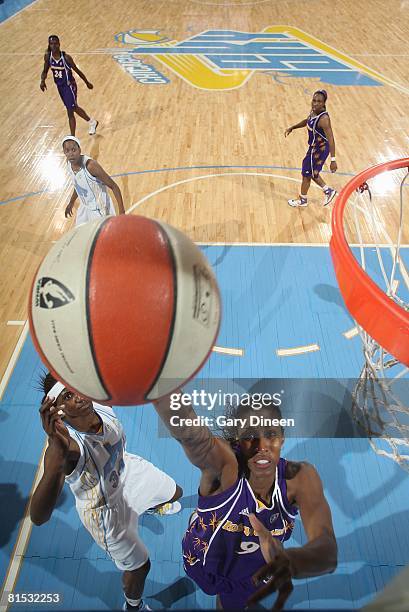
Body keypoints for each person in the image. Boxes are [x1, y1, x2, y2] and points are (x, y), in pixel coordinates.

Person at [153, 395, 337, 610]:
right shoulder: (225, 467)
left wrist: (293, 561)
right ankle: (201, 518)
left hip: (252, 570)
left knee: (230, 605)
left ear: (282, 437)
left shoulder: (299, 478)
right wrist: (162, 386)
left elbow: (327, 551)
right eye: (250, 436)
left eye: (270, 434)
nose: (262, 446)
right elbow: (191, 435)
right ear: (238, 440)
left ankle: (202, 517)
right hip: (205, 558)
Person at [30, 373, 183, 612]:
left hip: (124, 470)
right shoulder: (66, 448)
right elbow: (38, 517)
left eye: (76, 387)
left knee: (176, 492)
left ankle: (148, 505)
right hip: (105, 511)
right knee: (140, 567)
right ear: (58, 409)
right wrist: (57, 452)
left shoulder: (99, 401)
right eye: (67, 395)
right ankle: (133, 606)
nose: (78, 396)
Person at [285, 90, 338, 208]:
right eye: (314, 100)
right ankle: (327, 191)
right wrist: (293, 127)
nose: (315, 103)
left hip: (321, 149)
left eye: (319, 101)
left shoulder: (324, 119)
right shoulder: (313, 112)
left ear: (324, 103)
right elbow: (307, 121)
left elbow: (331, 139)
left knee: (307, 173)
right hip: (314, 148)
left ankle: (306, 199)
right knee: (309, 171)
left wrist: (333, 160)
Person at [40, 35, 98, 136]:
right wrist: (42, 81)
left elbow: (78, 71)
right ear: (49, 45)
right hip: (60, 87)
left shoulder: (66, 58)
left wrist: (87, 83)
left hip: (69, 86)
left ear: (59, 44)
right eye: (51, 44)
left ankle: (72, 137)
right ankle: (92, 122)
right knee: (74, 107)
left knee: (70, 111)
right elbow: (45, 71)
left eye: (55, 43)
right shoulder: (48, 56)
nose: (53, 46)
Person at [62, 135, 125, 224]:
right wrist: (71, 202)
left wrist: (122, 212)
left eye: (73, 149)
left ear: (79, 150)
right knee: (81, 234)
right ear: (64, 152)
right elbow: (78, 186)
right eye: (67, 151)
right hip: (85, 207)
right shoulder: (69, 163)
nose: (71, 154)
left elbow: (113, 186)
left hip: (100, 208)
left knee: (103, 236)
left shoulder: (91, 166)